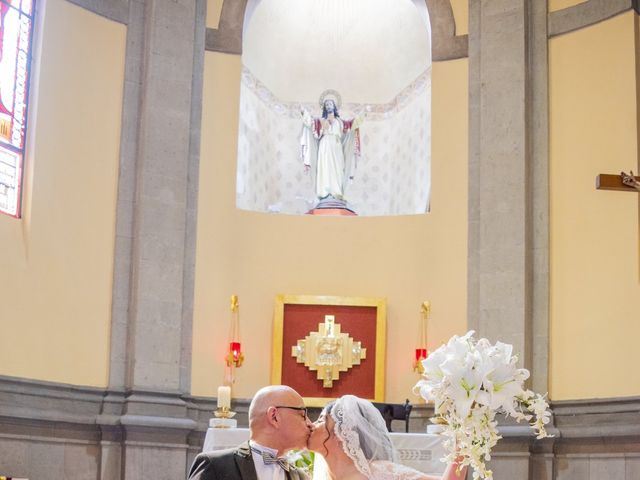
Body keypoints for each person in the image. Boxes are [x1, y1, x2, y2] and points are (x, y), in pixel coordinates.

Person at [308, 395, 467, 480]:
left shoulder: (378, 472)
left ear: (340, 433)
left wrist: (465, 440)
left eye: (321, 420)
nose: (311, 425)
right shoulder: (321, 474)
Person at [188, 385, 313, 480]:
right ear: (274, 416)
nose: (310, 423)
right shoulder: (216, 465)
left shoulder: (302, 477)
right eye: (302, 415)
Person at [300, 90, 364, 202]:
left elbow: (353, 125)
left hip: (336, 146)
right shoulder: (320, 121)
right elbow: (310, 122)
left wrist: (363, 114)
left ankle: (337, 192)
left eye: (331, 104)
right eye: (327, 104)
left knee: (338, 168)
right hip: (324, 145)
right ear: (324, 108)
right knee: (325, 167)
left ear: (334, 107)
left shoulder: (340, 122)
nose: (329, 106)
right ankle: (324, 192)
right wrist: (303, 112)